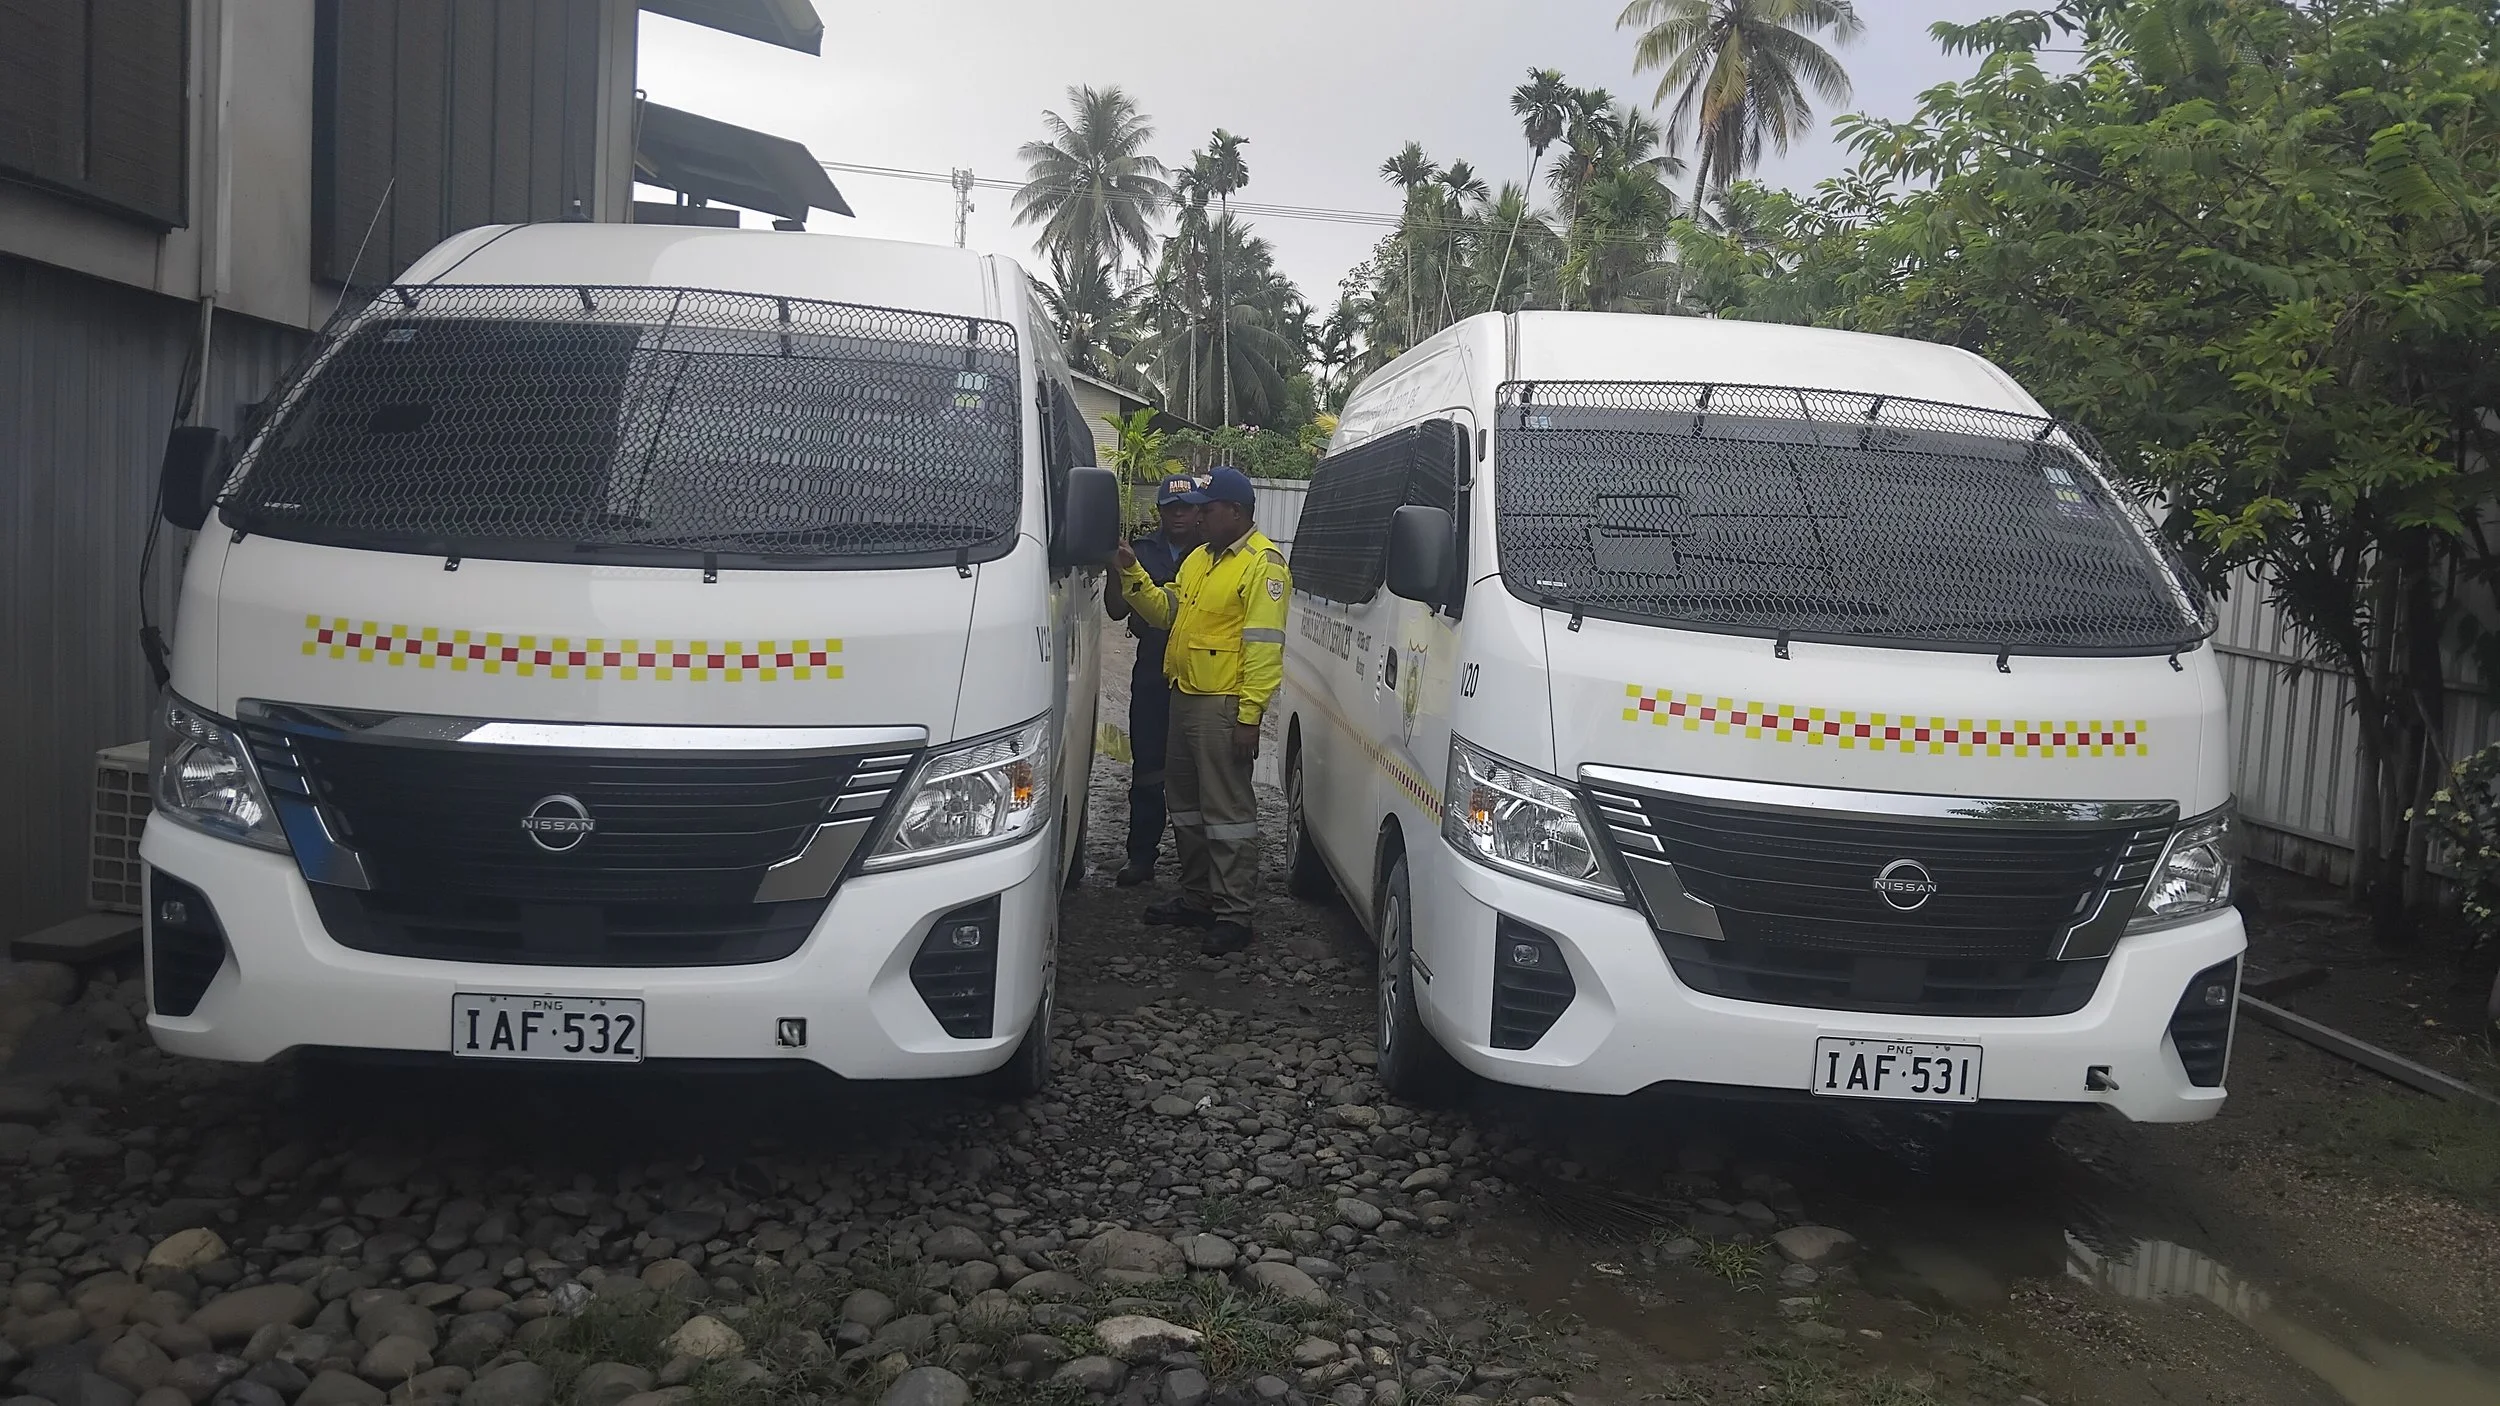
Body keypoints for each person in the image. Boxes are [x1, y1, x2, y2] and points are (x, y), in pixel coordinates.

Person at [1112, 466, 1291, 956]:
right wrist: (1131, 570)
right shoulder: (1199, 560)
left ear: (1236, 512)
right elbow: (1165, 612)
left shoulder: (1262, 565)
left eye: (1208, 510)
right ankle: (1198, 897)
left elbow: (1263, 649)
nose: (1199, 519)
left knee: (1227, 811)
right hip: (1184, 695)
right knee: (1186, 806)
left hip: (1222, 705)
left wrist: (1250, 717)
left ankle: (1234, 913)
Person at [1103, 476, 1205, 886]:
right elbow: (1115, 611)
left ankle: (1198, 868)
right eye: (1171, 507)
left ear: (1198, 511)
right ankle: (1141, 856)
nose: (1179, 514)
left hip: (1200, 674)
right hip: (1151, 670)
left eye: (1186, 507)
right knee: (1147, 766)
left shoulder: (1213, 553)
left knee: (1199, 775)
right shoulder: (1141, 551)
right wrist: (1117, 568)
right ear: (1160, 511)